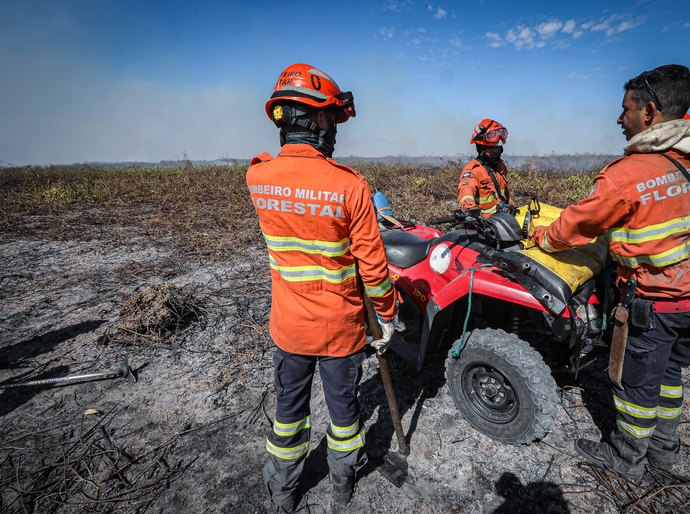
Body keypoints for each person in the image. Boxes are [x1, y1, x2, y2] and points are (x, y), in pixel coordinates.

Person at [246, 63, 398, 513]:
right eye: (331, 118)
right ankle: (341, 486)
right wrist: (387, 316)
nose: (334, 129)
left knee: (289, 417)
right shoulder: (350, 187)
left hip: (289, 330)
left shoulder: (257, 177)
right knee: (346, 417)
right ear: (315, 120)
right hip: (340, 332)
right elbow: (373, 265)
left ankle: (283, 494)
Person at [529, 64, 690, 481]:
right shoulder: (685, 163)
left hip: (652, 303)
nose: (621, 120)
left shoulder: (629, 176)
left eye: (626, 110)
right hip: (686, 299)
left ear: (650, 113)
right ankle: (664, 453)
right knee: (670, 377)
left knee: (636, 384)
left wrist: (544, 238)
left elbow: (576, 225)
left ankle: (627, 458)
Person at [458, 118, 513, 217]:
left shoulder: (500, 166)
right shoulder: (473, 170)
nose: (496, 151)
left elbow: (505, 195)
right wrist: (470, 208)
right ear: (481, 148)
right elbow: (466, 191)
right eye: (492, 147)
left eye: (498, 146)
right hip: (484, 227)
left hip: (504, 223)